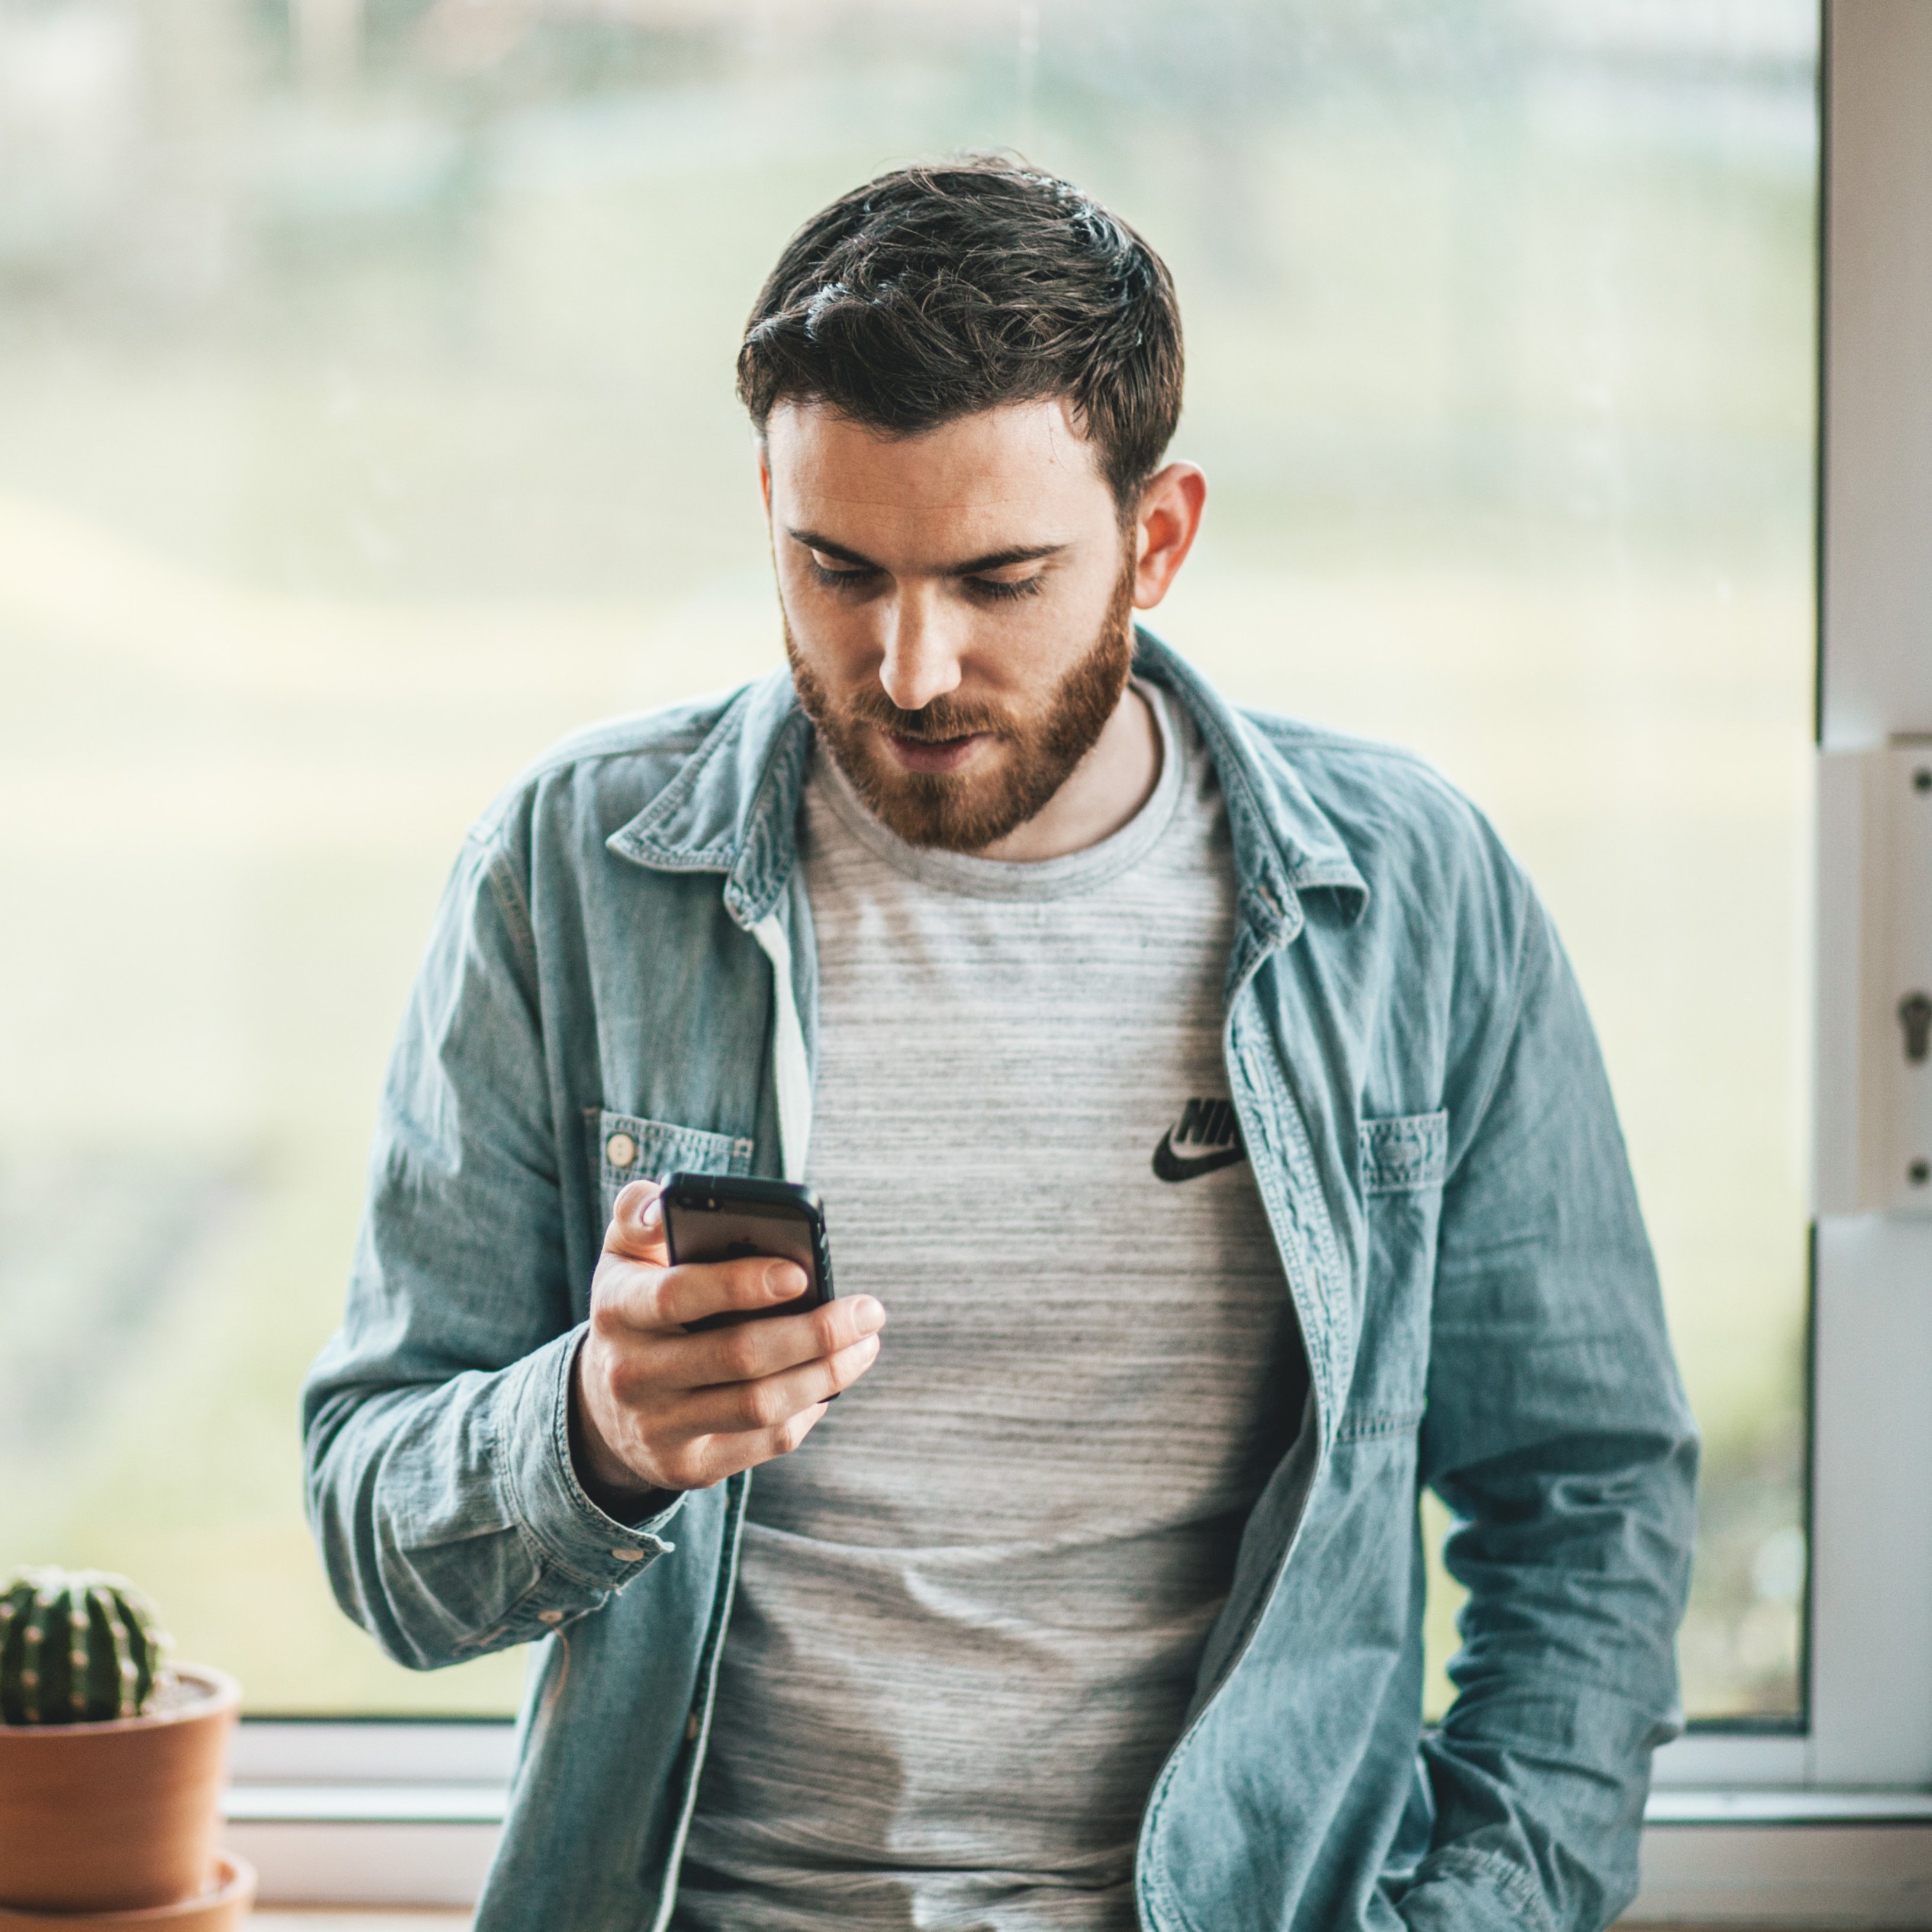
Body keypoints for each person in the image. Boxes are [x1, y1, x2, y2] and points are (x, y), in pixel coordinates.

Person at [302, 158, 1698, 1932]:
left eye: (999, 579)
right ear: (767, 507)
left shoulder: (1416, 901)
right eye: (836, 568)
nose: (906, 665)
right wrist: (592, 1431)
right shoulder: (570, 873)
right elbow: (377, 1528)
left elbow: (1587, 1502)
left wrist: (1486, 1912)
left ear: (1160, 539)